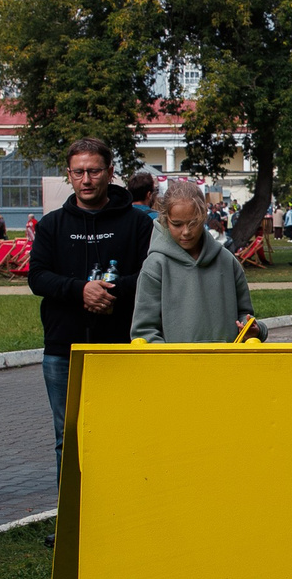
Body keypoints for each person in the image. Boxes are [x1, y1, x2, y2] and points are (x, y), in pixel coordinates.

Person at [27, 139, 154, 460]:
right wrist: (80, 290)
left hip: (121, 346)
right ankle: (72, 510)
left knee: (122, 432)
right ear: (69, 175)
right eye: (78, 172)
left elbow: (152, 277)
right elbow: (37, 277)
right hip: (63, 350)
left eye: (94, 171)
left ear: (110, 173)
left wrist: (111, 294)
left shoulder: (139, 223)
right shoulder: (52, 225)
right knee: (67, 438)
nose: (86, 179)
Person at [133, 180, 257, 343]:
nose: (186, 232)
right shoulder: (155, 265)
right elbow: (144, 331)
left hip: (225, 365)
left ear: (204, 216)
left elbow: (245, 315)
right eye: (177, 224)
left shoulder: (227, 261)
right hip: (176, 366)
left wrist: (253, 329)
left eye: (193, 223)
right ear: (165, 220)